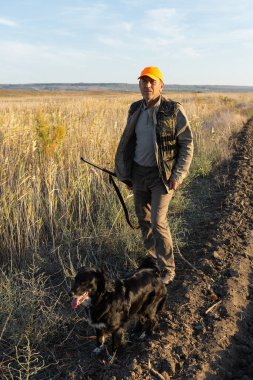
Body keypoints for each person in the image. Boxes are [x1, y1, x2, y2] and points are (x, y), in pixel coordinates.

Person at [115, 66, 193, 284]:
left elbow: (187, 143)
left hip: (163, 176)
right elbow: (129, 143)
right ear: (139, 85)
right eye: (143, 81)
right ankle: (152, 262)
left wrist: (178, 174)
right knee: (144, 220)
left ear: (161, 85)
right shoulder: (134, 109)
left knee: (158, 221)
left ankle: (168, 269)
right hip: (139, 174)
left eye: (152, 82)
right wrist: (126, 174)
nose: (147, 85)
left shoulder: (173, 109)